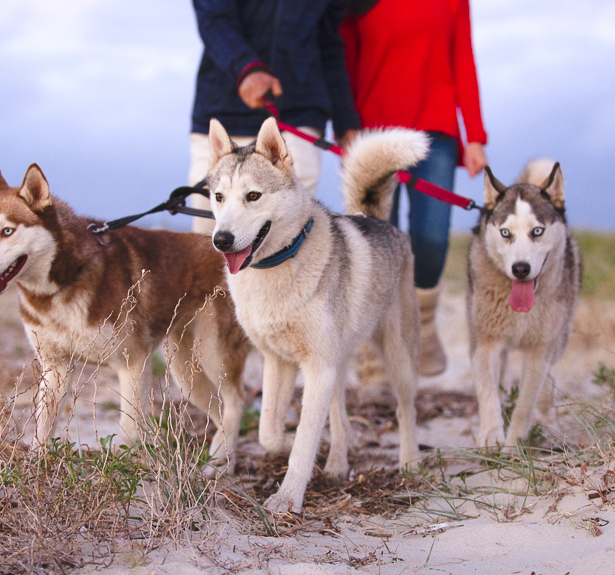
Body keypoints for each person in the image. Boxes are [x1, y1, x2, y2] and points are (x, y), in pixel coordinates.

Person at [341, 0, 489, 378]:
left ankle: (422, 327)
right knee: (373, 240)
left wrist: (475, 135)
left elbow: (464, 59)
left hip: (435, 131)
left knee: (432, 237)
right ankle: (372, 340)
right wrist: (346, 126)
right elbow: (344, 56)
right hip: (373, 130)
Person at [189, 0, 361, 234]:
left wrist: (346, 121)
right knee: (208, 237)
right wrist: (246, 68)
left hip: (301, 112)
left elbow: (329, 43)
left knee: (288, 237)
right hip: (223, 112)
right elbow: (214, 19)